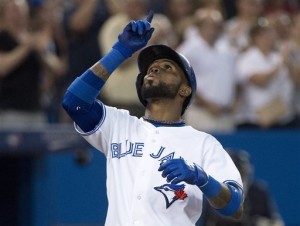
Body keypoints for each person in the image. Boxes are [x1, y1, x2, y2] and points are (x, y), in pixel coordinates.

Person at [62, 11, 244, 226]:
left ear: (185, 90)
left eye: (168, 68)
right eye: (151, 68)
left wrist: (201, 178)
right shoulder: (119, 125)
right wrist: (120, 51)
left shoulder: (203, 143)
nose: (155, 68)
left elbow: (234, 207)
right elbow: (74, 101)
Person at [177, 8, 238, 133]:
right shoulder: (188, 49)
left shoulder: (226, 48)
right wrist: (206, 104)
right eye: (209, 25)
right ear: (199, 26)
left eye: (217, 25)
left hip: (225, 114)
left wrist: (234, 101)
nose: (214, 29)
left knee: (225, 152)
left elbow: (233, 78)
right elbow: (182, 80)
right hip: (200, 112)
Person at [198, 150, 285, 226]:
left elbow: (277, 223)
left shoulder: (258, 191)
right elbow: (206, 222)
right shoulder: (215, 192)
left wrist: (256, 222)